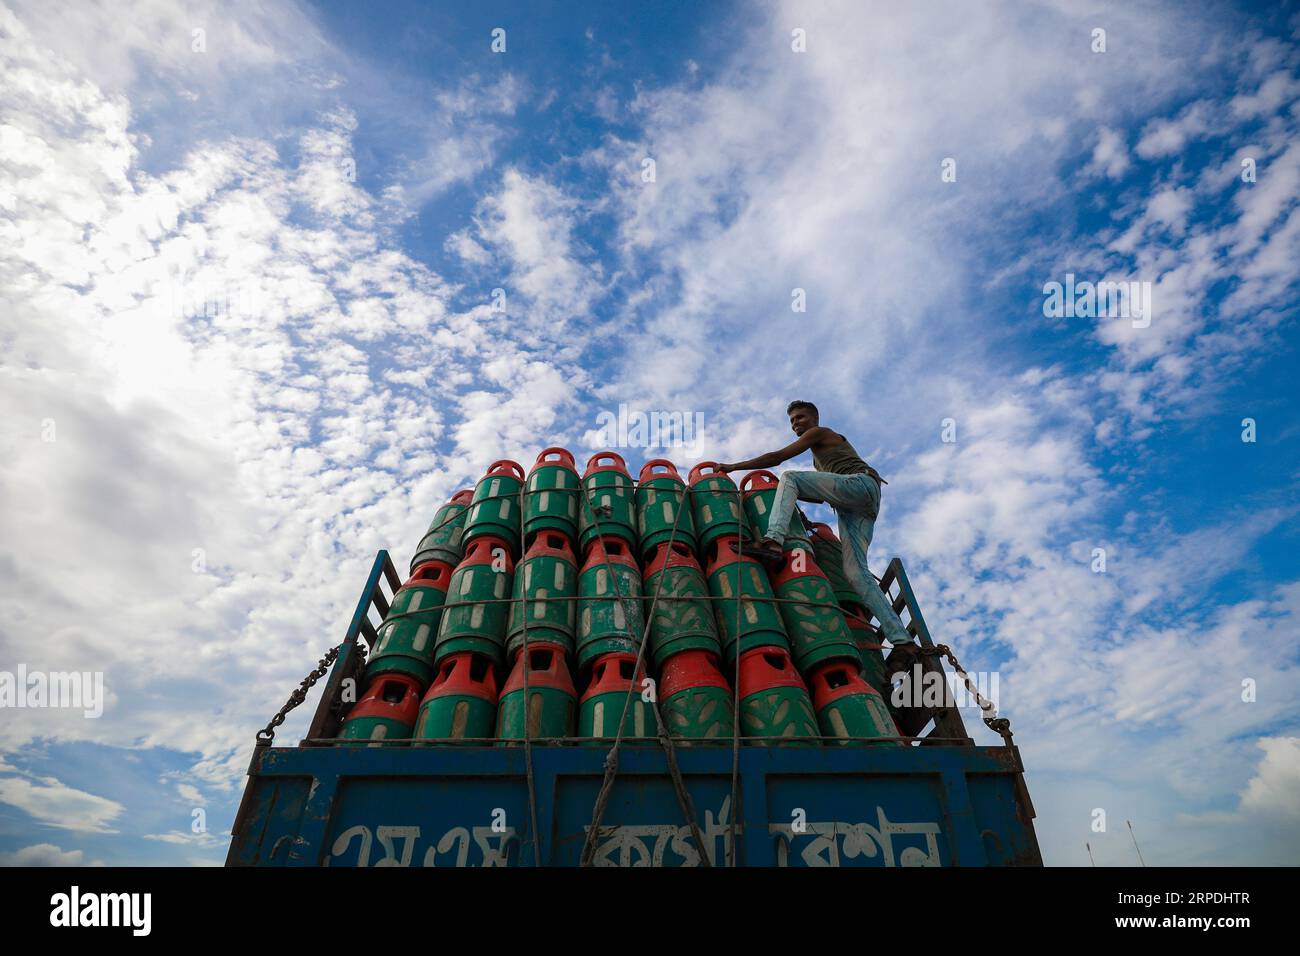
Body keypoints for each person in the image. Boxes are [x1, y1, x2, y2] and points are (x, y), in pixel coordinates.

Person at [716, 400, 914, 649]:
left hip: (859, 485)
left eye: (799, 417)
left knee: (789, 477)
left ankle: (773, 542)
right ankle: (902, 641)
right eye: (791, 421)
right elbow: (819, 494)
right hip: (856, 506)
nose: (795, 423)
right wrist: (784, 494)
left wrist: (733, 466)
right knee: (856, 574)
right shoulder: (818, 459)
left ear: (814, 419)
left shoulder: (820, 433)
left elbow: (778, 458)